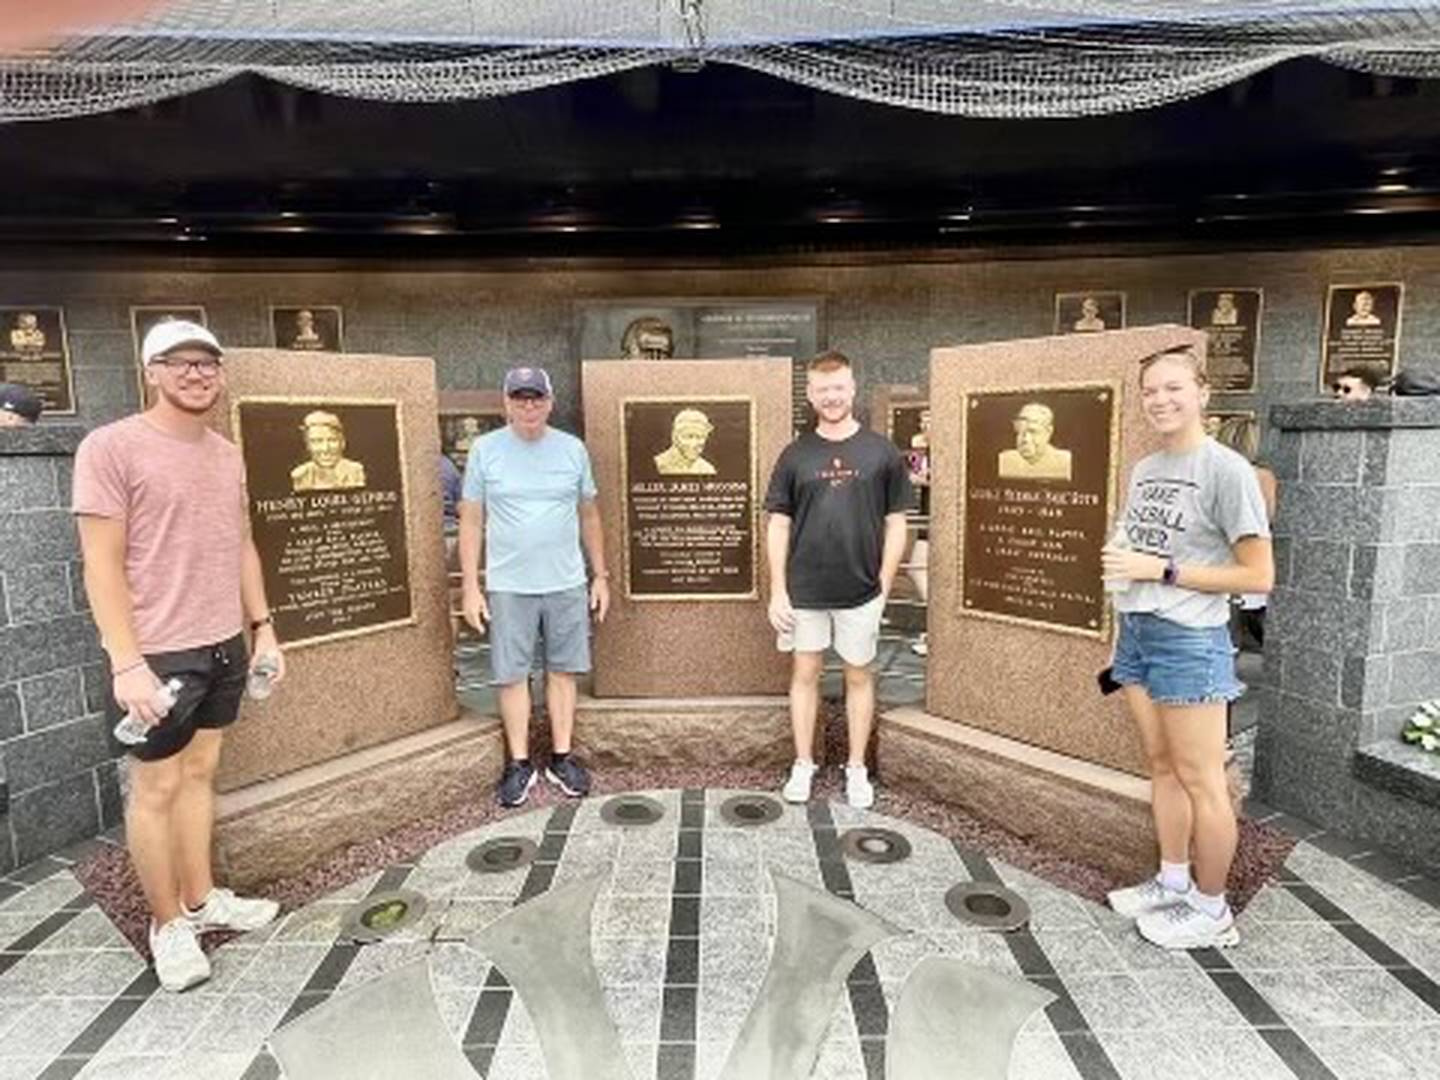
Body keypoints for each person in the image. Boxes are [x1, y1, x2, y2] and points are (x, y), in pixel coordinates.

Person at [72, 319, 285, 992]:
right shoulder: (110, 448)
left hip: (223, 642)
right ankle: (168, 926)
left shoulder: (225, 453)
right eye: (180, 362)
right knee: (156, 788)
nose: (197, 373)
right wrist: (126, 662)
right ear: (152, 372)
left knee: (201, 773)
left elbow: (242, 543)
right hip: (158, 653)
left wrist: (264, 628)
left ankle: (201, 898)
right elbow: (100, 566)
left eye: (208, 363)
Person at [1102, 343, 1273, 950]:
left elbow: (1258, 576)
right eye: (1150, 390)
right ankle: (1173, 881)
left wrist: (1162, 571)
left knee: (1203, 778)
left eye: (1173, 387)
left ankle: (1211, 908)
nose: (1160, 400)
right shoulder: (1144, 470)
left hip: (1190, 637)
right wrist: (1128, 572)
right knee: (1161, 766)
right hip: (1140, 631)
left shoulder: (1226, 470)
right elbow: (1137, 550)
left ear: (1203, 393)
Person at [459, 366, 611, 807]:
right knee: (511, 674)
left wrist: (599, 576)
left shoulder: (572, 450)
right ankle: (520, 762)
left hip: (565, 581)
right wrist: (472, 585)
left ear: (550, 401)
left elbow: (589, 515)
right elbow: (471, 519)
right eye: (520, 398)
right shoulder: (485, 451)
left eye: (536, 398)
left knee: (563, 669)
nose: (529, 406)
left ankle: (562, 756)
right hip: (509, 584)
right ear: (505, 402)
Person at [765, 351, 910, 809]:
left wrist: (884, 585)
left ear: (852, 389)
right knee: (804, 673)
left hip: (861, 590)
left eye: (839, 387)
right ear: (810, 395)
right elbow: (778, 523)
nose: (831, 397)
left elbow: (898, 522)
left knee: (858, 675)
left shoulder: (881, 451)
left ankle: (856, 768)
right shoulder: (794, 455)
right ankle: (804, 763)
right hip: (805, 591)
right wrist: (778, 589)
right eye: (822, 390)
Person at [290, 411, 366, 491]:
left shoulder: (355, 471)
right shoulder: (300, 475)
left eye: (332, 440)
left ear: (343, 443)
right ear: (308, 446)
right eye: (317, 441)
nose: (325, 448)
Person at [997, 402, 1073, 481]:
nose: (1025, 439)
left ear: (1048, 432)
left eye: (1033, 432)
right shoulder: (1006, 460)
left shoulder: (1063, 461)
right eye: (1020, 432)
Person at [653, 408, 717, 475]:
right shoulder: (659, 464)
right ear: (675, 438)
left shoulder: (706, 469)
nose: (694, 444)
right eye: (688, 437)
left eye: (700, 437)